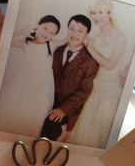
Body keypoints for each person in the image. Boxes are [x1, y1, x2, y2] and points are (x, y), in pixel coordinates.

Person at [67, 0, 126, 148]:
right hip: (92, 85)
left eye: (101, 12)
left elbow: (110, 64)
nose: (97, 17)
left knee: (99, 125)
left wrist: (91, 49)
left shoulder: (120, 37)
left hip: (108, 87)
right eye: (93, 13)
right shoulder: (95, 37)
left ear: (109, 14)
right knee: (85, 125)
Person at [0, 15, 61, 137]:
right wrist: (21, 31)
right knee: (15, 110)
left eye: (52, 33)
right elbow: (5, 40)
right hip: (24, 84)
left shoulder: (52, 45)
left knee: (34, 116)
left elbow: (70, 40)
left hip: (41, 89)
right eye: (45, 28)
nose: (46, 34)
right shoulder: (25, 42)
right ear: (38, 25)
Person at [40, 14, 99, 142]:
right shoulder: (57, 50)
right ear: (67, 29)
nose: (75, 34)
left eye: (80, 31)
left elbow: (84, 91)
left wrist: (63, 110)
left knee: (49, 127)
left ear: (87, 35)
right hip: (46, 99)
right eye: (72, 28)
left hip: (66, 107)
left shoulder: (90, 61)